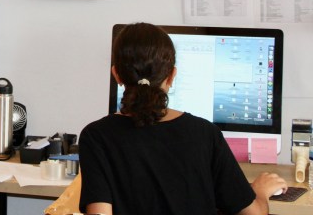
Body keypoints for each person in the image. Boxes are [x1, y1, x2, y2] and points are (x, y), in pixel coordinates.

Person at [78, 22, 286, 215]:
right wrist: (260, 191)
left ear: (116, 75)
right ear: (172, 75)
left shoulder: (96, 136)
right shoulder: (205, 133)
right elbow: (253, 213)